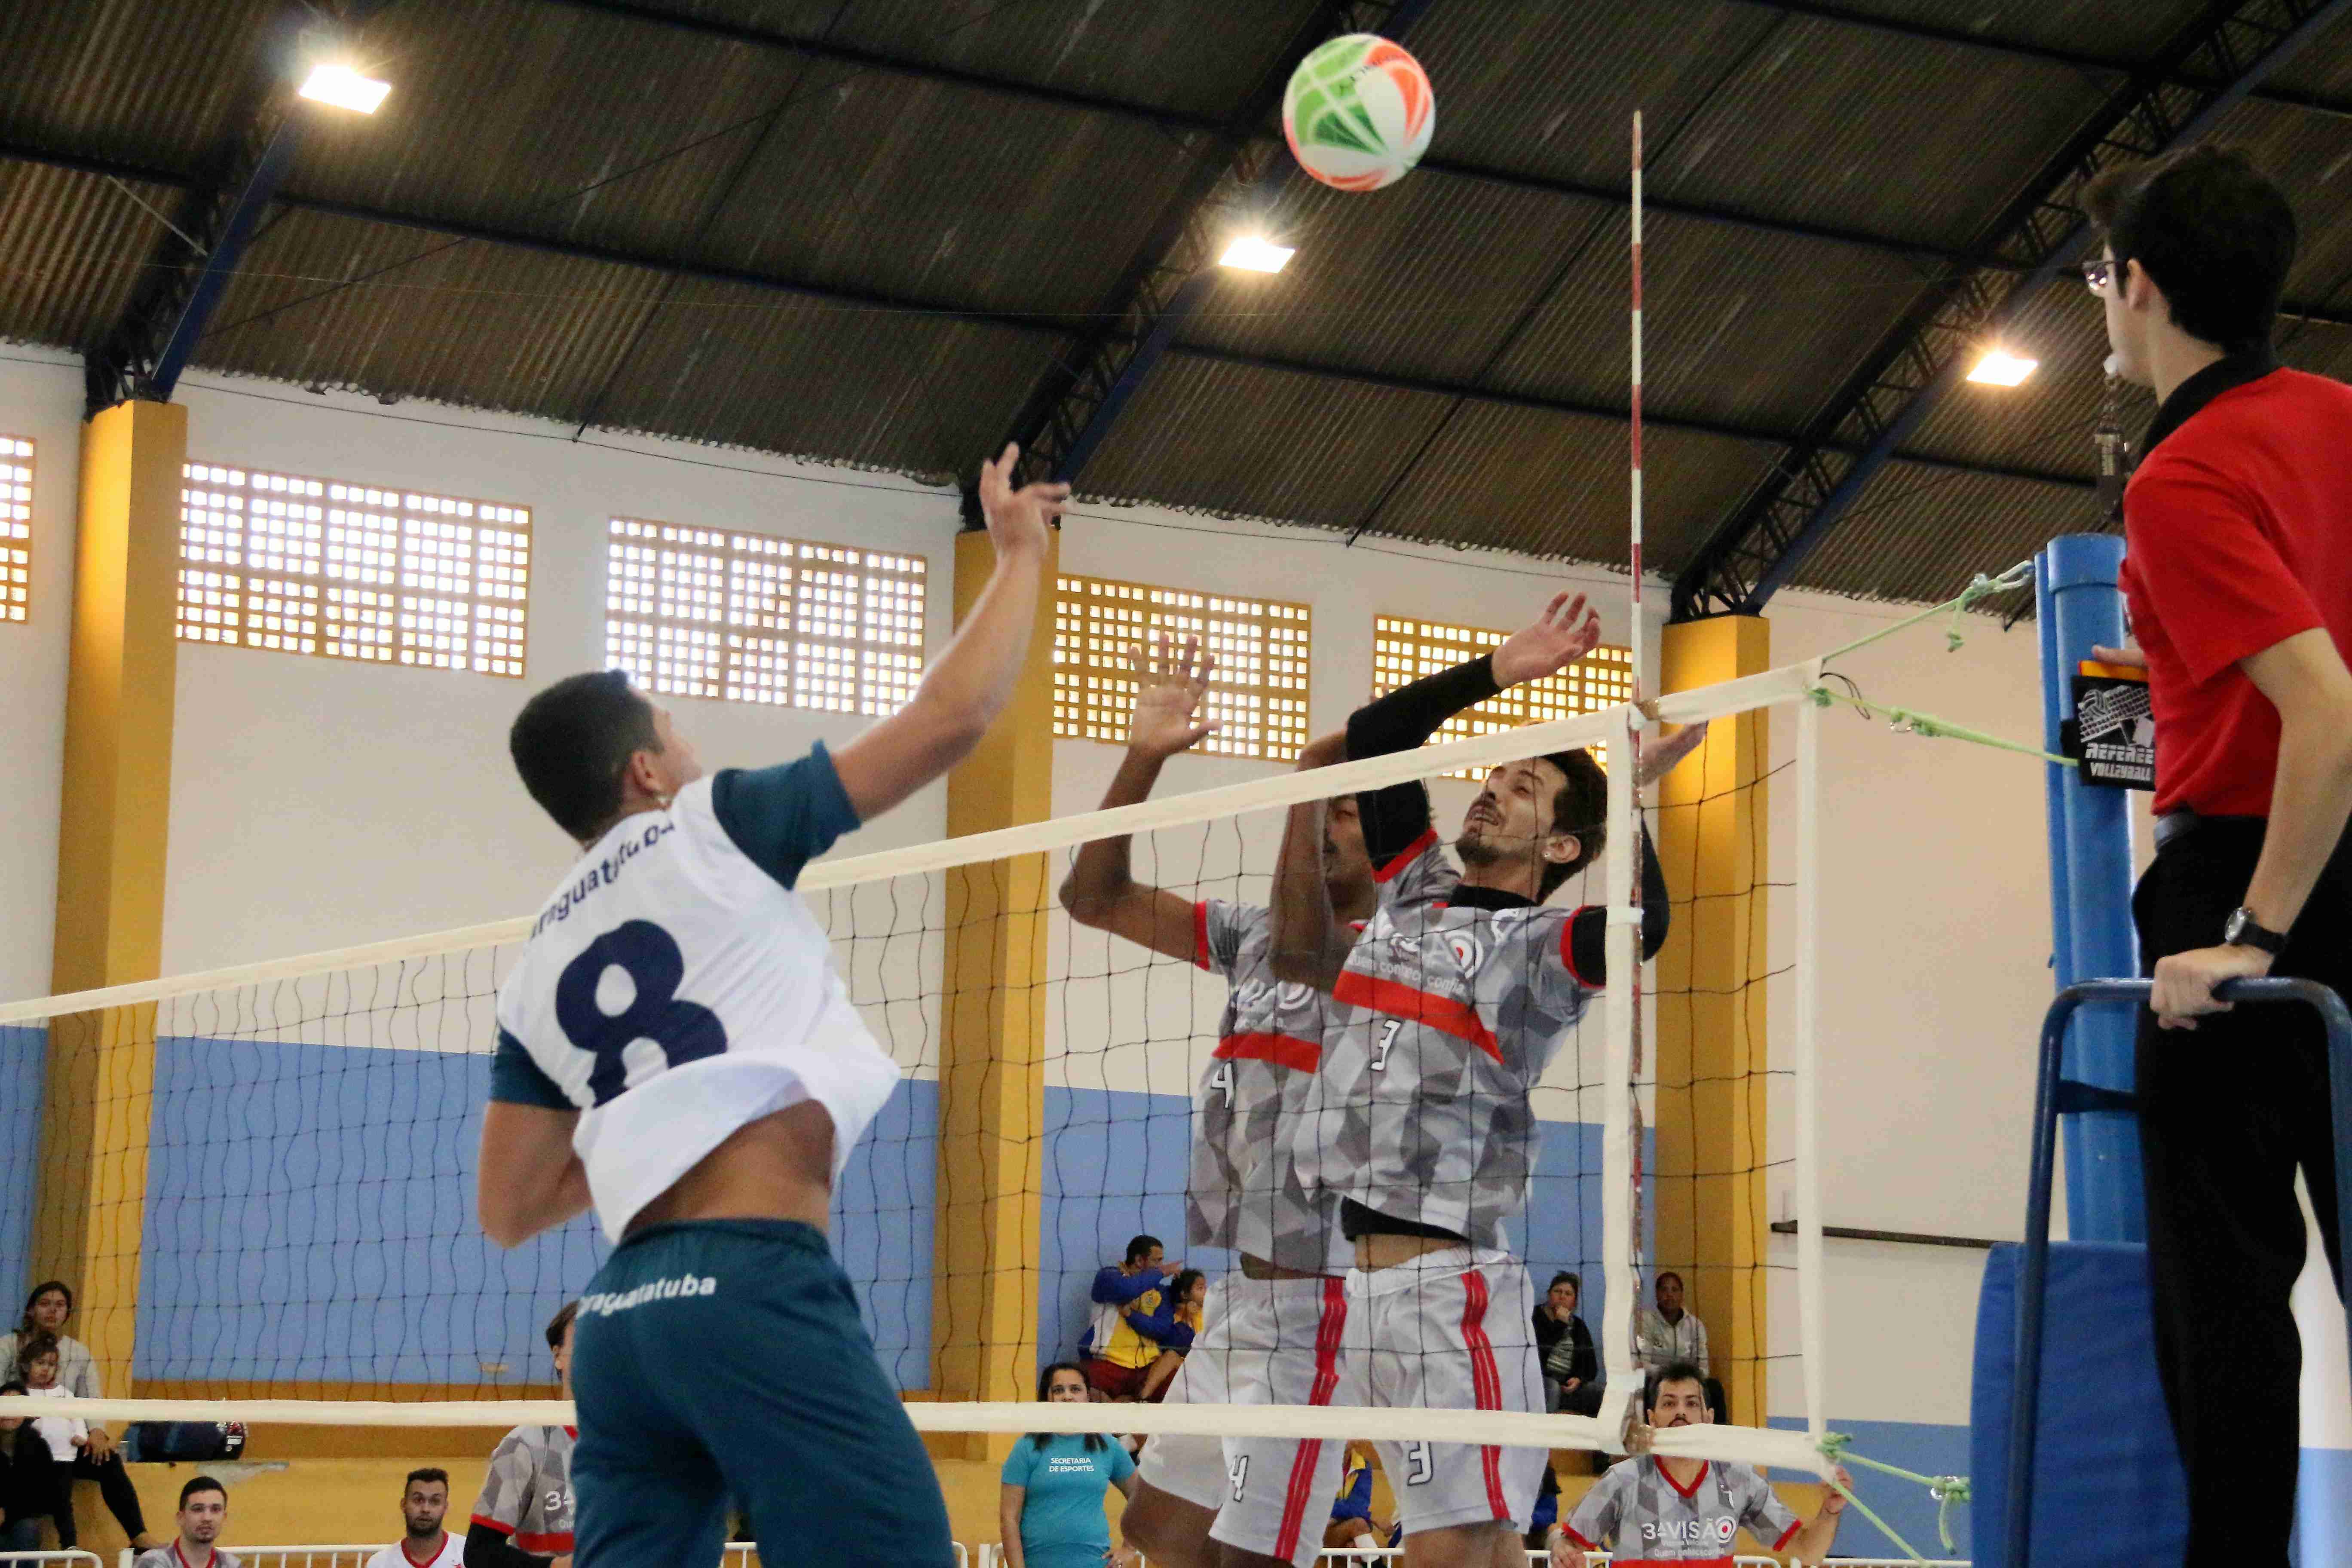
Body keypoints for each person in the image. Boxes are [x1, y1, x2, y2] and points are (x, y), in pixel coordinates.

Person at [476, 445, 1066, 1567]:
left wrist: (642, 1118)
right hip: (749, 1290)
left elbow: (507, 1209)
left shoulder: (536, 959)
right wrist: (1020, 558)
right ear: (647, 771)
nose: (694, 751)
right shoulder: (711, 825)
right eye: (677, 735)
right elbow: (950, 720)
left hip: (615, 1323)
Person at [1271, 590, 1709, 1568]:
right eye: (1495, 775)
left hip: (1448, 1287)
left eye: (1522, 791)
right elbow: (1380, 735)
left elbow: (1647, 930)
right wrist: (1499, 672)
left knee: (1459, 1550)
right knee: (1464, 1550)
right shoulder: (1415, 887)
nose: (1490, 790)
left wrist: (1634, 801)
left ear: (1559, 848)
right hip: (1362, 1287)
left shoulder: (1542, 944)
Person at [2079, 144, 2352, 1568]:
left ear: (2141, 287)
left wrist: (2250, 928)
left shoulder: (2181, 478)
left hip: (2261, 873)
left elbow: (2325, 706)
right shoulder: (2344, 419)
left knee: (2227, 1295)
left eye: (2101, 279)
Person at [1057, 631, 1378, 1568]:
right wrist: (1143, 757)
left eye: (1348, 814)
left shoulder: (1400, 946)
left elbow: (1309, 949)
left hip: (1324, 1299)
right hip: (1246, 1293)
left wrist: (1307, 781)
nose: (1326, 826)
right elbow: (1092, 896)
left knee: (1253, 1558)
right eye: (1324, 811)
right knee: (1153, 1529)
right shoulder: (1250, 935)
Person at [1546, 1362, 1848, 1568]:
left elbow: (1807, 1551)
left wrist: (1830, 1511)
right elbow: (1565, 1539)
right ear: (1652, 1419)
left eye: (1691, 1403)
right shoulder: (1623, 1480)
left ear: (1709, 1417)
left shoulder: (1738, 1479)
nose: (1681, 1412)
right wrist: (1561, 1547)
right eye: (1669, 1403)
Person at [0, 1281, 157, 1551]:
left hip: (65, 1445)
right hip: (22, 1444)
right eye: (45, 1304)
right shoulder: (9, 1345)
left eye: (60, 1305)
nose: (52, 1311)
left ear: (68, 1313)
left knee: (108, 1461)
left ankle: (138, 1535)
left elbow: (91, 1400)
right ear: (30, 1311)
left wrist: (96, 1432)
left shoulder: (79, 1352)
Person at [467, 1304, 576, 1568]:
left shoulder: (640, 1445)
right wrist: (554, 1567)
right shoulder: (525, 1445)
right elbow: (479, 1554)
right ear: (558, 1355)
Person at [999, 1363, 1139, 1568]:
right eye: (1058, 1390)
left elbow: (1141, 1496)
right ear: (1047, 1398)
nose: (1067, 1396)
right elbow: (1009, 1518)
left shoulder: (1106, 1445)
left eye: (1075, 1389)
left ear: (1087, 1396)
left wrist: (1129, 1549)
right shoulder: (1026, 1447)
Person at [1082, 1235, 1176, 1402]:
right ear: (1140, 1260)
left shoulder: (1160, 1292)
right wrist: (1161, 1273)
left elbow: (1162, 1329)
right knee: (1087, 1388)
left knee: (1178, 1384)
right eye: (1157, 1261)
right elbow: (1126, 1290)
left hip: (1148, 1368)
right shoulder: (1109, 1277)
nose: (1161, 1267)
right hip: (1108, 1364)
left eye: (1162, 1263)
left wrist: (1131, 1315)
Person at [130, 1476, 239, 1568]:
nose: (207, 1518)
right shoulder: (153, 1563)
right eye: (198, 1509)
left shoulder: (232, 1565)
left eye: (215, 1510)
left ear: (224, 1517)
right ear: (180, 1518)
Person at [1133, 1268, 1205, 1403]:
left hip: (1200, 1369)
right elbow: (1175, 1344)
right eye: (1200, 1288)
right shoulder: (1170, 1315)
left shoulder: (1206, 1314)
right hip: (1175, 1369)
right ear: (1184, 1294)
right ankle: (1143, 1398)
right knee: (1171, 1356)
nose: (1205, 1293)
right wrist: (1187, 1317)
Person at [368, 1468, 465, 1568]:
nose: (426, 1509)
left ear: (445, 1507)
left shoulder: (468, 1555)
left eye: (435, 1501)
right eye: (418, 1500)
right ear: (403, 1504)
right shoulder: (379, 1563)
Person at [1533, 1273, 1599, 1418]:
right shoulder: (1535, 1316)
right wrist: (1559, 1325)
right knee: (1553, 1387)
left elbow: (1591, 1367)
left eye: (1568, 1294)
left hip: (1569, 1388)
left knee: (1599, 1391)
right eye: (1558, 1291)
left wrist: (1579, 1379)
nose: (1562, 1297)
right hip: (1540, 1383)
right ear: (1549, 1295)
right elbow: (1538, 1355)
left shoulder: (1579, 1325)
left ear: (1574, 1302)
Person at [1, 1381, 52, 1554]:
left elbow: (43, 1499)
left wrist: (7, 1513)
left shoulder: (38, 1447)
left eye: (16, 1406)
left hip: (20, 1522)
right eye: (4, 1405)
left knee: (27, 1529)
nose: (8, 1413)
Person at [1323, 1442, 1395, 1563]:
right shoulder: (1320, 1465)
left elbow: (1360, 1507)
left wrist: (1337, 1515)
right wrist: (1371, 1517)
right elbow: (1323, 1506)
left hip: (1342, 1531)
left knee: (1355, 1547)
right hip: (1316, 1533)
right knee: (1359, 1525)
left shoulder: (1363, 1466)